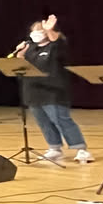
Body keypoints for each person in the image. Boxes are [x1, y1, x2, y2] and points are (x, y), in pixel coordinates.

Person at [14, 14, 90, 164]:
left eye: (40, 30)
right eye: (33, 31)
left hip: (53, 91)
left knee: (61, 120)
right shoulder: (31, 48)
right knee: (43, 122)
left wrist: (50, 30)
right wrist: (20, 52)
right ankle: (54, 148)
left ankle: (80, 149)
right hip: (33, 92)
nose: (35, 33)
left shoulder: (55, 46)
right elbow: (21, 67)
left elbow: (58, 42)